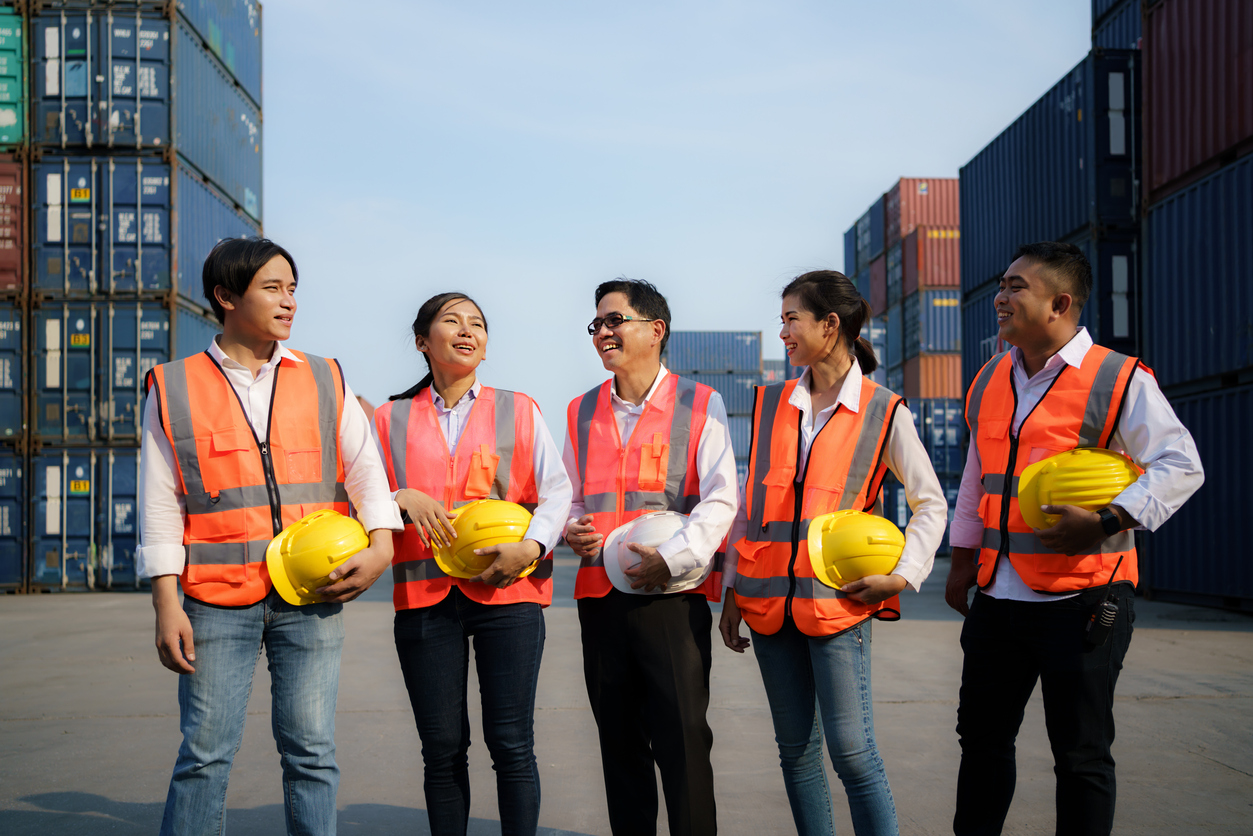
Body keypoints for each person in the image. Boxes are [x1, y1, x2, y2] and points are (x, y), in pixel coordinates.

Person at [139, 237, 402, 836]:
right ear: (225, 296)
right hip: (212, 599)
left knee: (311, 754)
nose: (288, 302)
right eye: (273, 288)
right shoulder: (173, 386)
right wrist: (166, 602)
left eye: (292, 290)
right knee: (204, 756)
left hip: (311, 595)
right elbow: (159, 501)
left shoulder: (324, 376)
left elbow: (367, 474)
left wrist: (382, 546)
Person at [945, 242, 1204, 836]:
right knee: (981, 744)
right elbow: (975, 479)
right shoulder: (989, 378)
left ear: (1060, 303)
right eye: (1001, 285)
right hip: (998, 598)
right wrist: (962, 562)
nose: (999, 298)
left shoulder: (1119, 378)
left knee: (1080, 755)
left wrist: (1109, 519)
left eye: (1015, 287)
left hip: (1086, 602)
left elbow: (1181, 465)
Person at [718, 270, 948, 836]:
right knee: (795, 752)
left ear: (830, 324)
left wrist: (902, 575)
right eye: (781, 321)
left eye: (791, 319)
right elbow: (750, 509)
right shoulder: (769, 404)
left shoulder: (882, 411)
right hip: (768, 608)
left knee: (852, 753)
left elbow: (931, 503)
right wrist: (731, 590)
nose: (783, 333)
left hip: (838, 607)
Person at [373, 292, 572, 836]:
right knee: (441, 749)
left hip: (508, 595)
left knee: (511, 743)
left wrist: (531, 549)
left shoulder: (520, 408)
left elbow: (558, 495)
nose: (467, 330)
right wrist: (399, 498)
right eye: (451, 321)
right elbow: (359, 499)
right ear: (422, 342)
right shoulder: (386, 418)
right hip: (424, 601)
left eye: (478, 324)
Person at [562, 278, 737, 836]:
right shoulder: (579, 410)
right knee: (619, 744)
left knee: (683, 740)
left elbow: (721, 498)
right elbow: (567, 496)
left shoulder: (700, 403)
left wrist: (674, 558)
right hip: (600, 598)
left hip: (672, 598)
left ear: (655, 329)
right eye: (596, 325)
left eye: (614, 321)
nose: (602, 333)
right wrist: (574, 529)